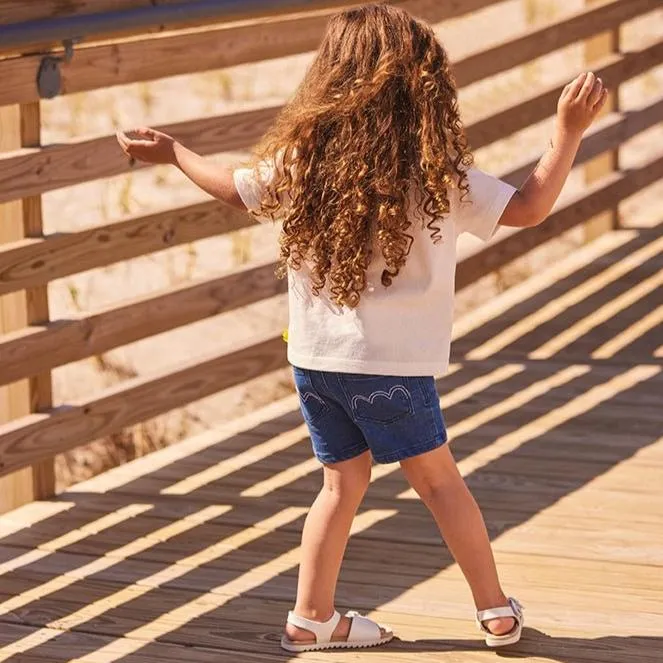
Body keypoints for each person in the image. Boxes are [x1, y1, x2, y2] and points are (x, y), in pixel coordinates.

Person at [117, 3, 607, 652]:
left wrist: (176, 151)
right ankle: (494, 610)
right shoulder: (435, 177)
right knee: (436, 481)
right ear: (422, 89)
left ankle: (310, 616)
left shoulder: (304, 162)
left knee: (340, 482)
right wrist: (566, 132)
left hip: (316, 361)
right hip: (390, 366)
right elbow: (528, 206)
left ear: (329, 80)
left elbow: (236, 187)